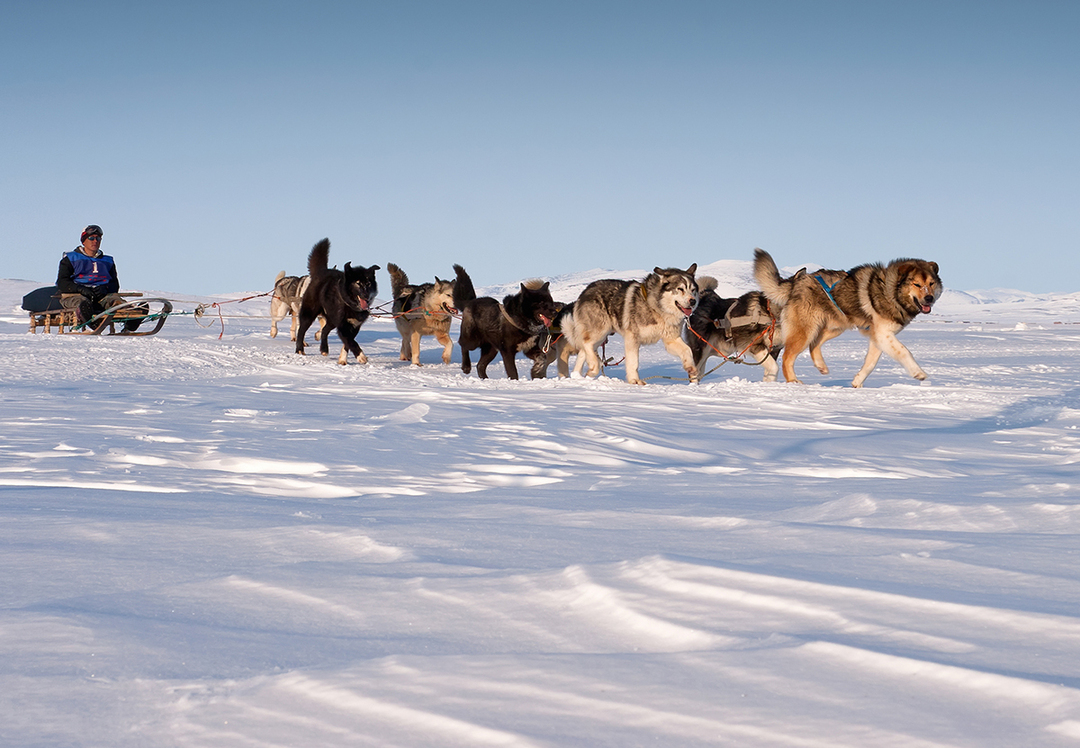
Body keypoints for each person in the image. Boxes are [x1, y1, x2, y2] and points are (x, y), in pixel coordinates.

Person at [57, 224, 138, 328]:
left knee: (116, 302)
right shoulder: (70, 258)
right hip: (76, 294)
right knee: (82, 304)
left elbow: (114, 284)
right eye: (91, 238)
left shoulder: (107, 261)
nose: (95, 241)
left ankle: (133, 318)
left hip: (101, 296)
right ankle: (91, 321)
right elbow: (62, 282)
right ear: (84, 240)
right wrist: (80, 289)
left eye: (98, 238)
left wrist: (105, 289)